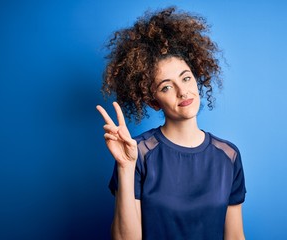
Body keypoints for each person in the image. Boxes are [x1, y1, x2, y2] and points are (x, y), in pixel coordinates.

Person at [96, 7, 246, 240]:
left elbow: (235, 236)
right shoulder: (137, 154)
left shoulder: (228, 156)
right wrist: (126, 168)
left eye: (186, 78)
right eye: (166, 86)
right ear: (153, 102)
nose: (181, 91)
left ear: (197, 79)